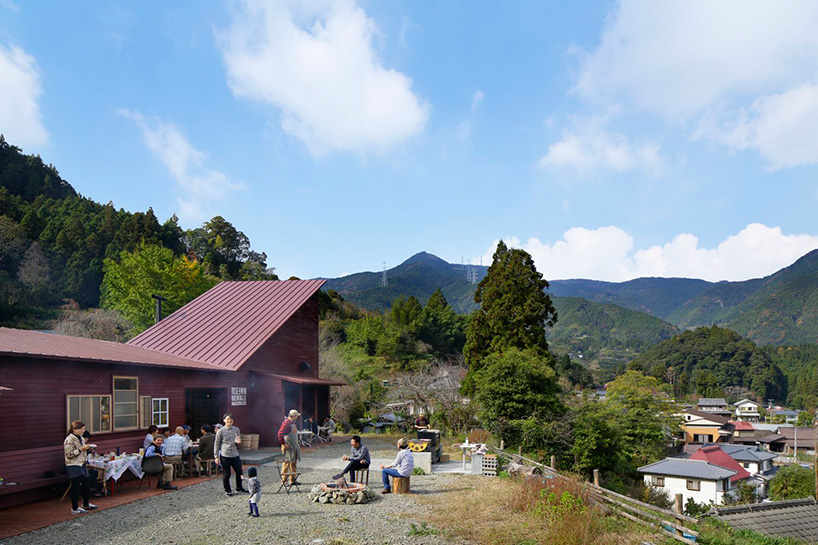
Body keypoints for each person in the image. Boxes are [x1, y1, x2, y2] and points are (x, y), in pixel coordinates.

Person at [64, 420, 98, 514]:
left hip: (82, 463)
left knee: (86, 483)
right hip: (73, 464)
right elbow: (68, 455)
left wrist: (88, 450)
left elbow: (83, 451)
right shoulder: (69, 440)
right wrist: (81, 449)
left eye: (84, 429)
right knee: (75, 486)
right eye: (81, 429)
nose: (83, 431)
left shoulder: (81, 438)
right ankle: (74, 508)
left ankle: (86, 504)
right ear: (74, 429)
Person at [215, 412, 249, 496]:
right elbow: (217, 443)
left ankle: (239, 488)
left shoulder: (236, 429)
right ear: (224, 420)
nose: (229, 421)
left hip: (235, 453)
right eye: (227, 419)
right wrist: (216, 456)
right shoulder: (220, 431)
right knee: (227, 473)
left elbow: (238, 441)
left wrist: (238, 442)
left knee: (239, 471)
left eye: (230, 419)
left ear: (233, 421)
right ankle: (228, 490)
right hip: (225, 454)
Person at [277, 409, 302, 485]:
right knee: (286, 464)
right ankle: (284, 481)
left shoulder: (292, 423)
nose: (297, 417)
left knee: (293, 464)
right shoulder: (286, 423)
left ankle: (293, 480)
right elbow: (280, 434)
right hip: (288, 447)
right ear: (293, 416)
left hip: (293, 447)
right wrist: (284, 444)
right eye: (296, 416)